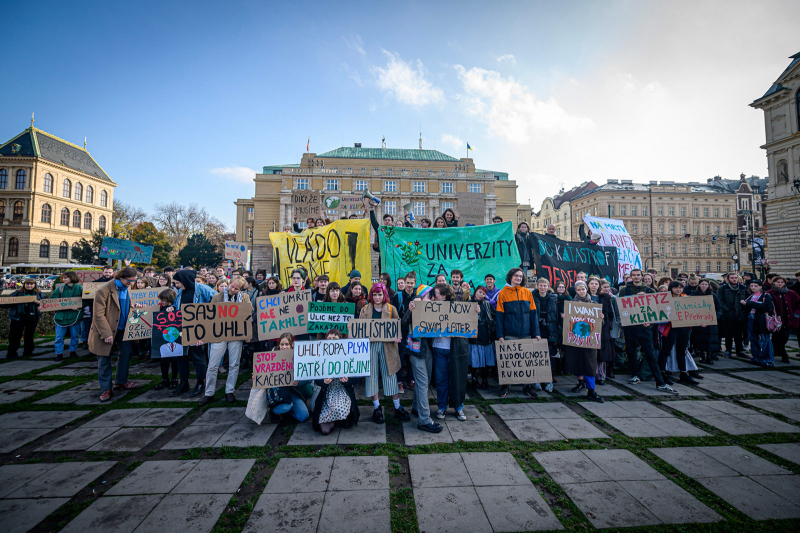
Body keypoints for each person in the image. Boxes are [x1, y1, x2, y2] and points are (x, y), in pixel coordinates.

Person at [618, 269, 678, 394]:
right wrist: (635, 298)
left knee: (650, 355)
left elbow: (655, 310)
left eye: (638, 275)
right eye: (633, 275)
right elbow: (623, 307)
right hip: (631, 327)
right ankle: (635, 374)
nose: (636, 277)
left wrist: (650, 322)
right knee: (631, 352)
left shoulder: (651, 291)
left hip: (645, 329)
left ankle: (660, 382)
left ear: (642, 276)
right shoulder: (625, 290)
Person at [88, 267, 142, 402]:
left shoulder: (127, 288)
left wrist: (133, 306)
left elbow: (123, 306)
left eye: (134, 280)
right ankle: (106, 389)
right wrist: (106, 333)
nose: (132, 283)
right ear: (121, 278)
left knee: (125, 354)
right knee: (104, 358)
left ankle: (120, 381)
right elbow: (98, 315)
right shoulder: (103, 290)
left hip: (123, 329)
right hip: (106, 330)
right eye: (130, 280)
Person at [360, 283, 410, 423]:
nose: (377, 297)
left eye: (380, 294)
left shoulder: (391, 308)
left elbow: (397, 325)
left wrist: (397, 335)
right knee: (372, 377)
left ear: (384, 295)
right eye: (375, 294)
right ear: (371, 295)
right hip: (370, 346)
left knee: (390, 376)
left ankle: (397, 407)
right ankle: (376, 409)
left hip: (387, 346)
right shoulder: (364, 310)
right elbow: (359, 328)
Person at [199, 277, 251, 405]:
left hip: (236, 335)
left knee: (234, 364)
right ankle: (209, 393)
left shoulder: (244, 298)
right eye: (231, 286)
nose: (232, 289)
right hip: (219, 335)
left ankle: (229, 391)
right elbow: (210, 316)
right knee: (213, 364)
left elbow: (249, 313)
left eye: (236, 288)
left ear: (241, 289)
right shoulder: (217, 297)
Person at [429, 283, 473, 420]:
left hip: (455, 350)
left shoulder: (458, 307)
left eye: (435, 293)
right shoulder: (430, 307)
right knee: (441, 380)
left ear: (443, 295)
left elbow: (469, 322)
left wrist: (476, 310)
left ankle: (458, 407)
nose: (432, 296)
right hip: (438, 349)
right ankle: (442, 407)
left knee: (458, 379)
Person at [496, 267, 540, 398]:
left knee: (527, 363)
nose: (518, 278)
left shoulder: (527, 293)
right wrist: (500, 335)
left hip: (526, 333)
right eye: (516, 276)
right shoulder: (502, 293)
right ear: (511, 277)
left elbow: (533, 315)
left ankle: (527, 386)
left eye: (520, 276)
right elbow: (499, 316)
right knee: (509, 362)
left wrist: (536, 332)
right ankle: (506, 386)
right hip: (510, 333)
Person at [172, 270, 217, 396]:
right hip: (182, 328)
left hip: (198, 328)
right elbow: (177, 306)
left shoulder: (203, 289)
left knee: (198, 356)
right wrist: (172, 309)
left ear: (185, 280)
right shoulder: (180, 292)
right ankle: (184, 382)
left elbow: (218, 300)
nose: (176, 285)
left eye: (178, 283)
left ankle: (200, 382)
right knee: (181, 356)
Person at [404, 285, 442, 433]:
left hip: (428, 350)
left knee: (425, 382)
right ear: (422, 296)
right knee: (422, 383)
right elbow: (403, 323)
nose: (432, 298)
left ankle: (416, 407)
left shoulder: (433, 307)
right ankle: (424, 420)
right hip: (416, 351)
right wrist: (410, 310)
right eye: (430, 295)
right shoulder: (415, 306)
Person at [311, 329, 360, 434]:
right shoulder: (321, 356)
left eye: (334, 338)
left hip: (342, 391)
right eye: (329, 338)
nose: (332, 341)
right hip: (328, 393)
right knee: (324, 431)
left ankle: (345, 417)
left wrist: (347, 380)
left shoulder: (347, 355)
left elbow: (357, 377)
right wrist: (324, 381)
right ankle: (334, 419)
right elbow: (317, 380)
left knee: (342, 412)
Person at [565, 281, 604, 403]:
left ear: (586, 289)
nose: (581, 291)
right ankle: (580, 383)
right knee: (577, 361)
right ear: (575, 291)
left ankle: (591, 391)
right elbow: (567, 322)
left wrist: (601, 318)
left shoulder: (594, 304)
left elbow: (599, 324)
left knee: (590, 364)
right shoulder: (571, 305)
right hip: (575, 339)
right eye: (579, 290)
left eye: (583, 289)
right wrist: (564, 317)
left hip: (589, 340)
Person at [659, 282, 700, 385]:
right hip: (671, 328)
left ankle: (684, 374)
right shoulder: (665, 298)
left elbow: (695, 311)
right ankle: (662, 374)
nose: (678, 289)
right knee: (666, 351)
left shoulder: (686, 298)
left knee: (682, 351)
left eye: (681, 287)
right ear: (671, 288)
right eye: (676, 287)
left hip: (684, 328)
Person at [269, 333, 314, 423]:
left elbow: (309, 378)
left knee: (304, 416)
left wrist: (298, 381)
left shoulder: (299, 356)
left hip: (293, 392)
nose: (284, 347)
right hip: (279, 393)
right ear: (278, 345)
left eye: (287, 344)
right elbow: (264, 375)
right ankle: (274, 412)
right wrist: (256, 377)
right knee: (286, 406)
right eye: (282, 344)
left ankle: (288, 413)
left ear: (292, 344)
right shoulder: (272, 357)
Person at [5, 278, 43, 358]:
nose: (29, 285)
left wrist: (39, 302)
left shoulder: (39, 294)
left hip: (32, 317)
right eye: (27, 284)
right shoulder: (17, 293)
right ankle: (12, 353)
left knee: (29, 335)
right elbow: (7, 302)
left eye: (31, 284)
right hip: (18, 317)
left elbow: (46, 304)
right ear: (24, 284)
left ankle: (28, 351)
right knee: (15, 335)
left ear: (34, 285)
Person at [51, 271, 84, 361]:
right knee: (59, 337)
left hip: (75, 316)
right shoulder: (60, 289)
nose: (64, 279)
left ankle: (72, 351)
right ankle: (59, 353)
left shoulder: (80, 288)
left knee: (75, 335)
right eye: (63, 278)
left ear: (72, 278)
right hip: (61, 316)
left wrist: (78, 305)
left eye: (66, 278)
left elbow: (85, 300)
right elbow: (53, 300)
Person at [532, 278, 558, 392]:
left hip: (549, 330)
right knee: (535, 356)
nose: (542, 287)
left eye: (544, 285)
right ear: (537, 286)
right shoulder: (532, 297)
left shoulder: (553, 298)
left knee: (548, 358)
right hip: (537, 329)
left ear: (548, 287)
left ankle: (548, 381)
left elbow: (556, 315)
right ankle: (536, 380)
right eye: (540, 285)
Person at [768, 276, 800, 363]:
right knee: (776, 338)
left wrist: (796, 315)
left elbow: (799, 304)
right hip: (775, 321)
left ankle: (776, 353)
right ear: (773, 283)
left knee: (784, 338)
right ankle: (783, 355)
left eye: (782, 282)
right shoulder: (769, 293)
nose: (780, 284)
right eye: (778, 282)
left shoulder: (791, 293)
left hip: (789, 320)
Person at [152, 289, 179, 390]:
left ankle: (174, 379)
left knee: (175, 359)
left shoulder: (175, 308)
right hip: (162, 337)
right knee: (164, 360)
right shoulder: (160, 307)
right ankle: (165, 379)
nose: (162, 302)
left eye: (164, 300)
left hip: (174, 337)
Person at [691, 278, 722, 365]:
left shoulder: (713, 295)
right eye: (702, 284)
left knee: (710, 339)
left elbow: (719, 308)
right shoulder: (694, 295)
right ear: (699, 285)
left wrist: (715, 317)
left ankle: (709, 354)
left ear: (708, 286)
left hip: (710, 321)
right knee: (699, 339)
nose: (704, 286)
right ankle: (701, 354)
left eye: (706, 284)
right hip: (698, 321)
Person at [470, 286, 496, 389]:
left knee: (486, 360)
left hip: (486, 335)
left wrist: (492, 329)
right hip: (474, 336)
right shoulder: (468, 303)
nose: (481, 295)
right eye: (480, 292)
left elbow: (494, 316)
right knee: (473, 360)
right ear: (475, 292)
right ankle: (474, 378)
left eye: (484, 293)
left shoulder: (487, 304)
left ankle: (485, 379)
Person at [743, 279, 775, 366]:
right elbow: (746, 308)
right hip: (751, 318)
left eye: (755, 286)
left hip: (762, 319)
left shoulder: (766, 296)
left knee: (765, 340)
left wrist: (749, 303)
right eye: (751, 285)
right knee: (753, 339)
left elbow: (766, 308)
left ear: (760, 287)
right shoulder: (750, 295)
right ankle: (756, 357)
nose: (753, 287)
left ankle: (768, 359)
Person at [717, 272, 747, 358]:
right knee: (728, 334)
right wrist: (727, 310)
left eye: (735, 278)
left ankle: (739, 350)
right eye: (732, 278)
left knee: (739, 334)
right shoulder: (723, 288)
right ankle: (728, 350)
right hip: (728, 315)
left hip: (740, 315)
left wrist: (743, 311)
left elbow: (747, 300)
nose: (734, 279)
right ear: (728, 279)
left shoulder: (743, 288)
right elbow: (720, 301)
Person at [597, 280, 617, 384]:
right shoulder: (591, 297)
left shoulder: (607, 298)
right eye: (604, 287)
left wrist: (607, 324)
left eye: (607, 287)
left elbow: (611, 314)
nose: (606, 289)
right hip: (592, 327)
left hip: (604, 328)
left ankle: (601, 375)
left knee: (603, 352)